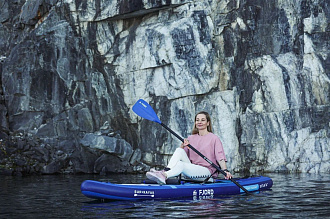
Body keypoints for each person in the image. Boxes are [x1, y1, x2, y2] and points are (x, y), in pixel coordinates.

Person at [146, 111, 232, 184]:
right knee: (179, 150)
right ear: (195, 123)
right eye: (197, 120)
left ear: (208, 123)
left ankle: (164, 176)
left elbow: (220, 157)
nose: (199, 122)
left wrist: (225, 170)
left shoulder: (214, 138)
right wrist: (183, 146)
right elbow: (181, 156)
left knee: (181, 165)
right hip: (191, 170)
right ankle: (164, 172)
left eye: (203, 120)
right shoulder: (191, 138)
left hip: (207, 172)